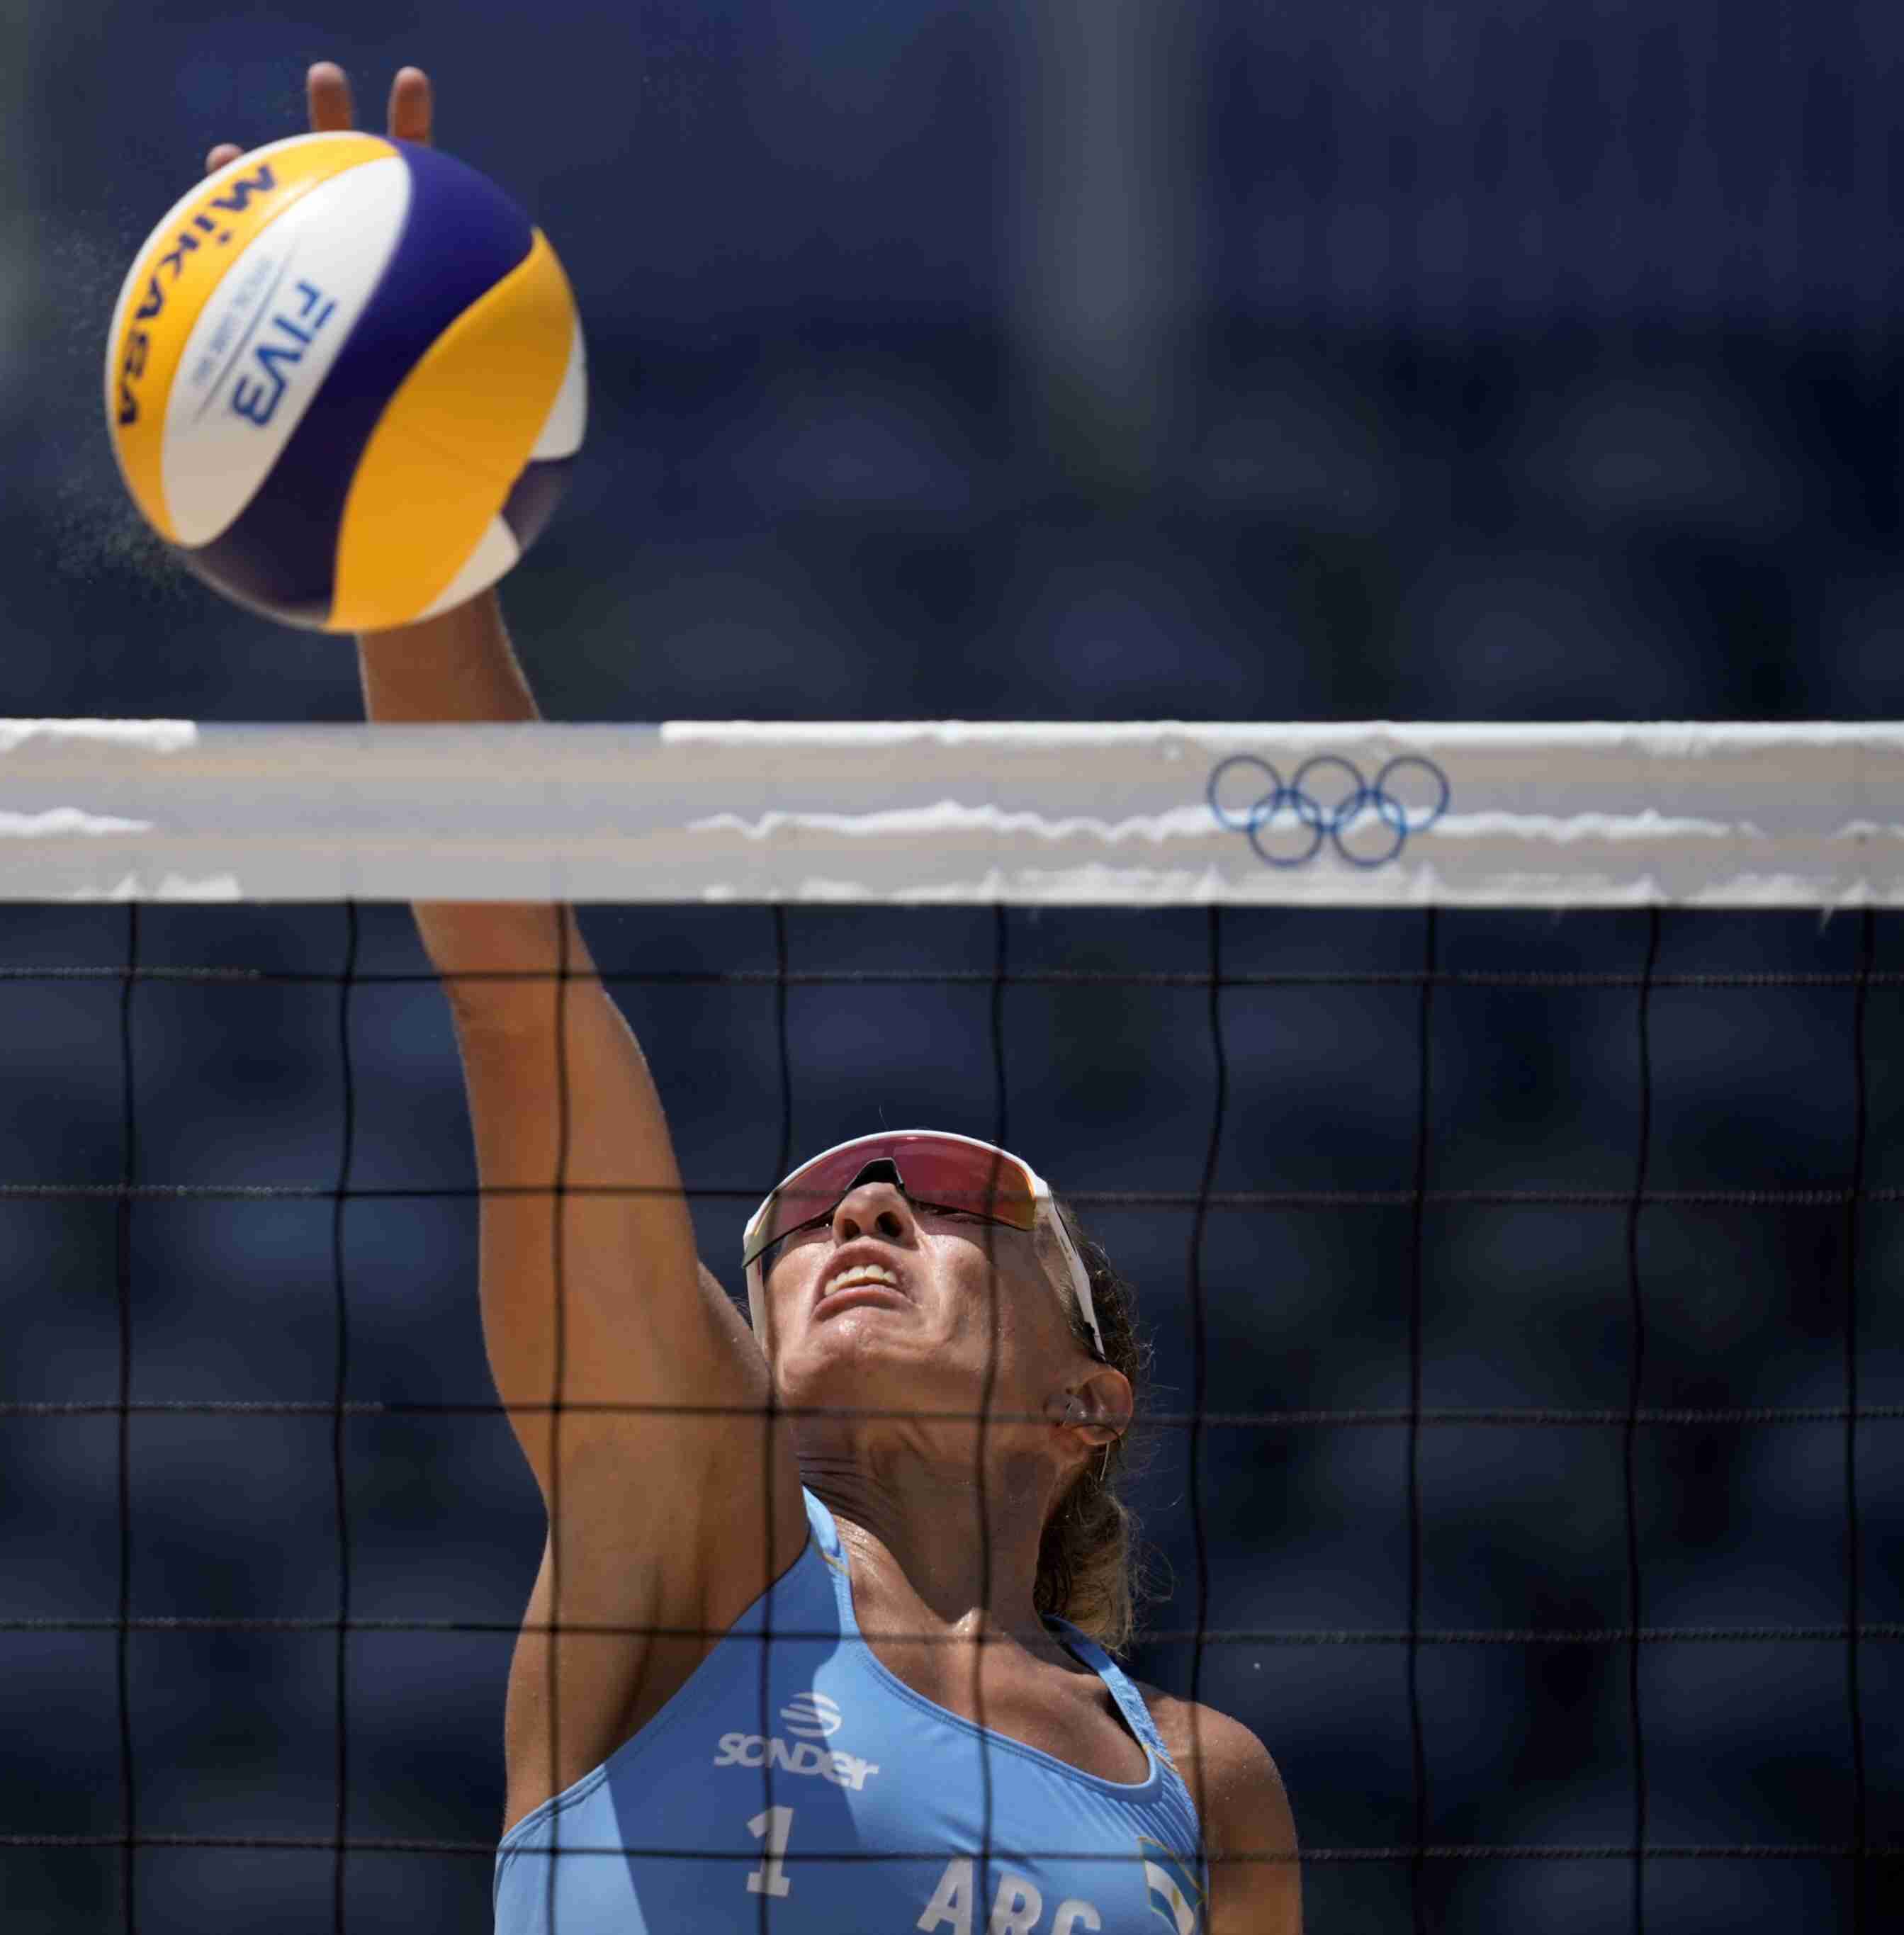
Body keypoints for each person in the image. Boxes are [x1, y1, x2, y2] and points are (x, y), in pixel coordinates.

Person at [204, 64, 1303, 1934]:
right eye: (798, 1216)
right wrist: (409, 500)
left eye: (962, 1196)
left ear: (1084, 1400)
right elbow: (522, 991)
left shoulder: (1202, 1776)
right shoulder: (694, 1528)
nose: (860, 1202)